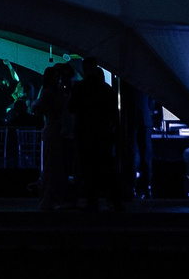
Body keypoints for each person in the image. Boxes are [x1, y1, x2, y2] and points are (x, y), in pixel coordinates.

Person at [71, 64, 124, 210]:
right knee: (107, 167)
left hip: (85, 132)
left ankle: (92, 201)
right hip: (103, 132)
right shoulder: (106, 88)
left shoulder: (79, 88)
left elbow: (72, 107)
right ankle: (113, 200)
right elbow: (114, 111)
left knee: (87, 168)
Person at [37, 61, 76, 210]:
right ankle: (49, 199)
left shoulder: (49, 92)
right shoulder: (51, 93)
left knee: (53, 165)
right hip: (54, 129)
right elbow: (58, 108)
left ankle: (50, 198)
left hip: (54, 129)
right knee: (52, 165)